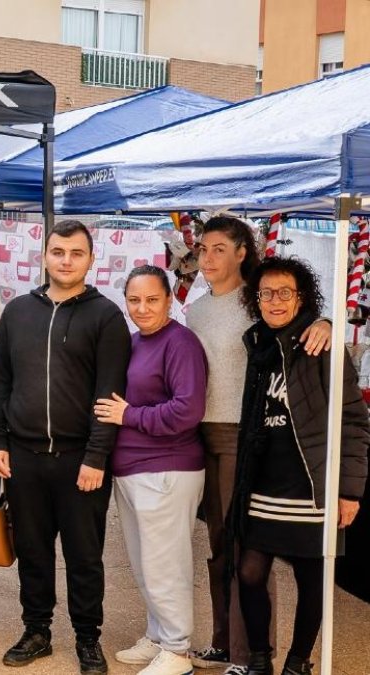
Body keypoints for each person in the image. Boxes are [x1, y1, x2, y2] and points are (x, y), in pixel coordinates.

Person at [0, 219, 131, 675]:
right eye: (58, 252)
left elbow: (110, 394)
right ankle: (37, 631)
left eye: (76, 253)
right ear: (45, 256)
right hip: (23, 457)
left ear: (91, 259)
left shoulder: (106, 316)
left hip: (80, 460)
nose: (66, 261)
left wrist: (96, 456)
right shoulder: (17, 312)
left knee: (84, 556)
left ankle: (88, 638)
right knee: (33, 551)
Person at [187, 216, 331, 675]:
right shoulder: (196, 309)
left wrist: (327, 322)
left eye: (218, 249)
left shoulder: (258, 301)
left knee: (247, 550)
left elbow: (301, 324)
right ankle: (223, 642)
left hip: (243, 435)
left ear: (241, 252)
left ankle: (250, 653)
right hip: (202, 434)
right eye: (202, 249)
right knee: (218, 546)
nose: (207, 258)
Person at [230, 257, 368, 675]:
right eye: (266, 293)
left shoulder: (321, 345)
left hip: (310, 485)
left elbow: (354, 421)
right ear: (256, 300)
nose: (275, 301)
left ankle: (297, 662)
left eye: (285, 292)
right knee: (249, 572)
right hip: (263, 485)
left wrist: (350, 491)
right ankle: (259, 660)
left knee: (312, 582)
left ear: (301, 297)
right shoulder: (258, 344)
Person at [94, 265, 207, 675]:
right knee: (145, 564)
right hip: (132, 469)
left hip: (166, 469)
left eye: (152, 299)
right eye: (134, 300)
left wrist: (130, 416)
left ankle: (177, 651)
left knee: (164, 565)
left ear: (169, 300)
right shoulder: (136, 341)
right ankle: (159, 636)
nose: (142, 308)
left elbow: (187, 410)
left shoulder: (181, 343)